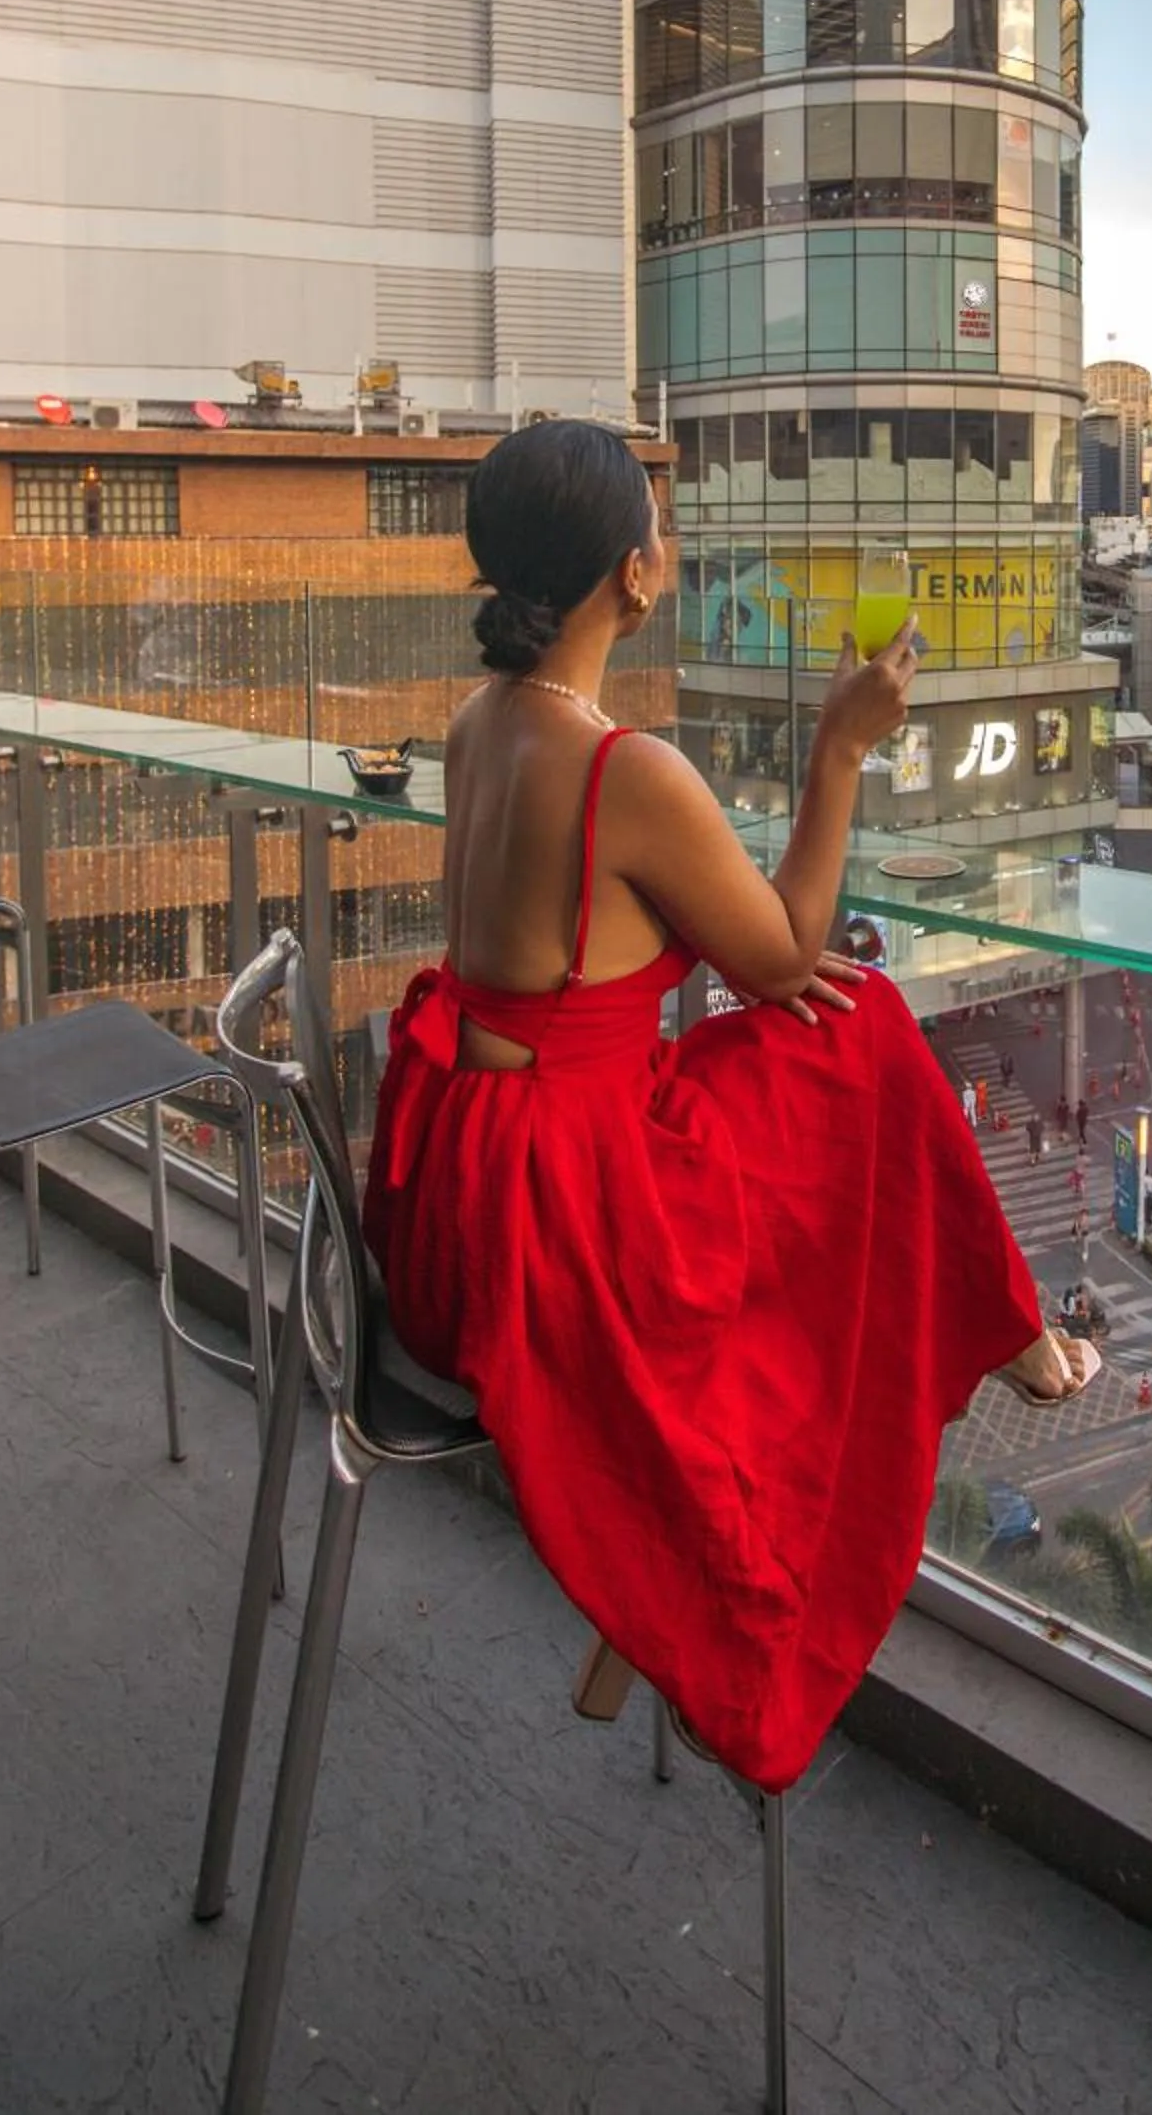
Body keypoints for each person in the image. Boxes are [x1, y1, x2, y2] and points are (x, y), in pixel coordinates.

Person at [364, 420, 1089, 1797]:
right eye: (664, 525)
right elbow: (783, 954)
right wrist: (840, 753)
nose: (672, 547)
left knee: (821, 1058)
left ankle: (1000, 1331)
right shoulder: (624, 769)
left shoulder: (478, 726)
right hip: (559, 1217)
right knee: (864, 1020)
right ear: (635, 579)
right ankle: (1000, 1334)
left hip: (451, 1187)